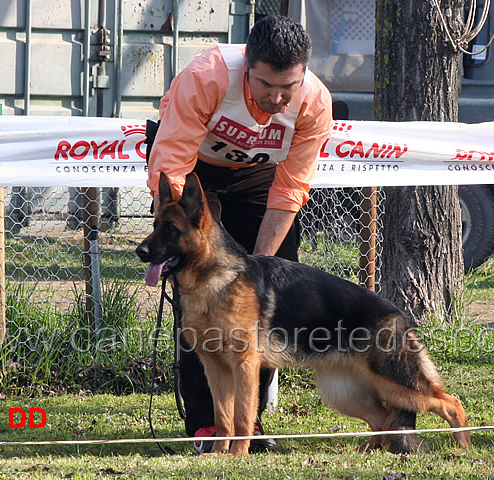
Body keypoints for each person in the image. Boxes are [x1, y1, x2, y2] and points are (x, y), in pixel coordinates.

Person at [146, 15, 332, 453]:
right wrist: (170, 242)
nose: (278, 96)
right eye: (267, 84)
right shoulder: (207, 76)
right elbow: (171, 167)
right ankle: (205, 427)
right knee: (201, 300)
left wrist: (256, 272)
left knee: (267, 300)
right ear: (248, 64)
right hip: (196, 172)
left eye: (288, 86)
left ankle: (250, 424)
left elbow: (290, 190)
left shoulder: (314, 102)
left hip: (260, 174)